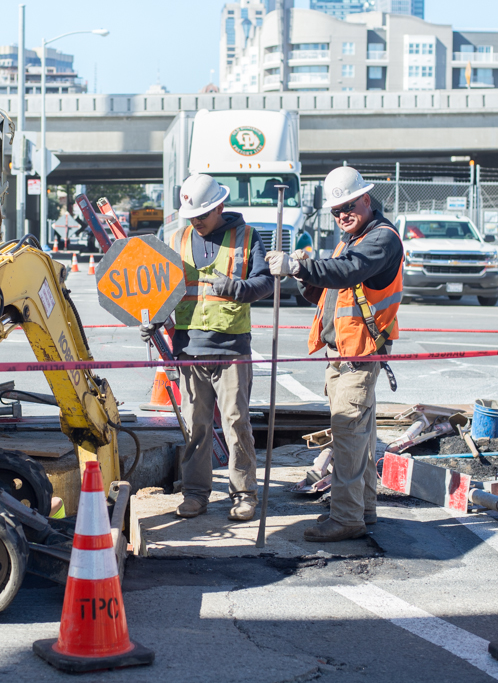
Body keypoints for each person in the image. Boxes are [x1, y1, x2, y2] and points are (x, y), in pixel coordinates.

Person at [266, 167, 403, 542]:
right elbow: (329, 290)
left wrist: (299, 264)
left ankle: (346, 518)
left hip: (360, 354)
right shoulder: (353, 239)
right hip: (343, 352)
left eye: (349, 206)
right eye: (336, 210)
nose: (342, 214)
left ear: (366, 200)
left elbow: (348, 271)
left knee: (347, 436)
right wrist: (303, 275)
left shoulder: (381, 238)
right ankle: (363, 509)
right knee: (360, 438)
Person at [144, 173, 273, 521]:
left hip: (232, 348)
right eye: (191, 216)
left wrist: (235, 288)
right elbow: (162, 289)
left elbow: (265, 283)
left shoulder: (246, 236)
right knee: (196, 427)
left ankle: (244, 494)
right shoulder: (176, 238)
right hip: (189, 348)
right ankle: (195, 494)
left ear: (219, 206)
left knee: (236, 423)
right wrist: (152, 318)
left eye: (201, 214)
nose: (196, 221)